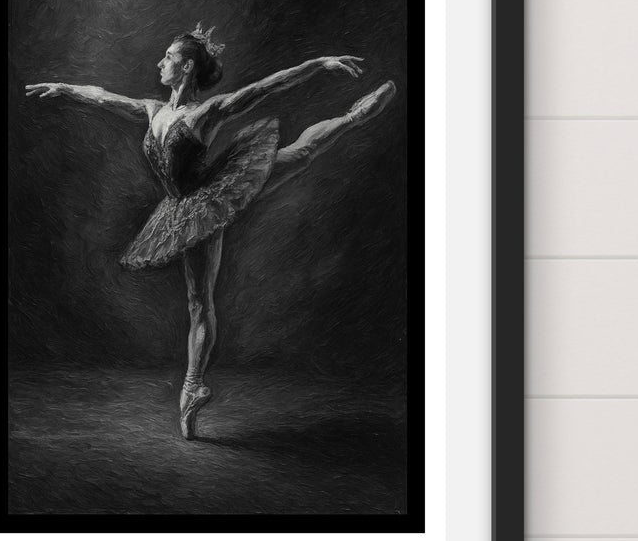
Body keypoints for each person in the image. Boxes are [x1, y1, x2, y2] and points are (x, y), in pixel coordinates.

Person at [25, 24, 396, 438]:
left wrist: (316, 63)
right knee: (198, 301)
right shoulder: (152, 109)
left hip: (214, 195)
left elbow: (263, 88)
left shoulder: (206, 112)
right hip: (180, 207)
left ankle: (354, 116)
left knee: (299, 153)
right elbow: (102, 96)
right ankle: (192, 391)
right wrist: (64, 87)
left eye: (167, 58)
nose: (159, 63)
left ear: (186, 68)